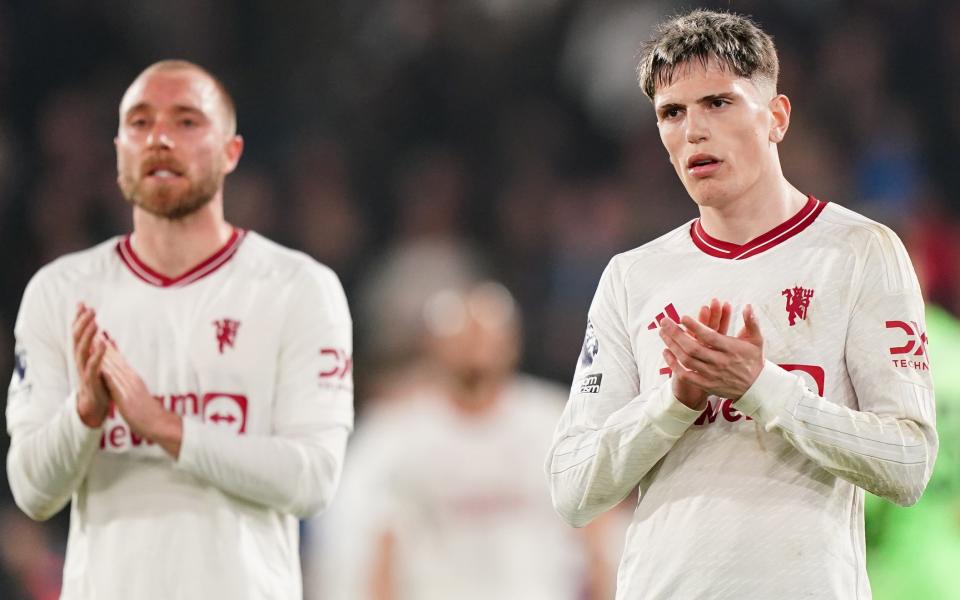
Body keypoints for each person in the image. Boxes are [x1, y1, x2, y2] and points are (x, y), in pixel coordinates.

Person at [546, 9, 937, 600]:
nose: (693, 131)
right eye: (671, 113)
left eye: (718, 103)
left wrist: (761, 386)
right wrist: (674, 403)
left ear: (776, 117)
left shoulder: (860, 253)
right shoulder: (633, 277)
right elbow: (573, 491)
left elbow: (909, 464)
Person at [6, 60, 353, 599]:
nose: (160, 138)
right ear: (120, 149)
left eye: (187, 121)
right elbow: (32, 491)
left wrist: (168, 428)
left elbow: (312, 479)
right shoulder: (60, 292)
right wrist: (84, 416)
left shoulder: (298, 288)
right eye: (140, 123)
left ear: (231, 152)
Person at [308, 282, 618, 600]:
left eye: (486, 333)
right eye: (463, 334)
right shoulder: (392, 436)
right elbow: (364, 541)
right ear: (431, 345)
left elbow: (599, 534)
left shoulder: (555, 422)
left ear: (512, 342)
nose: (475, 344)